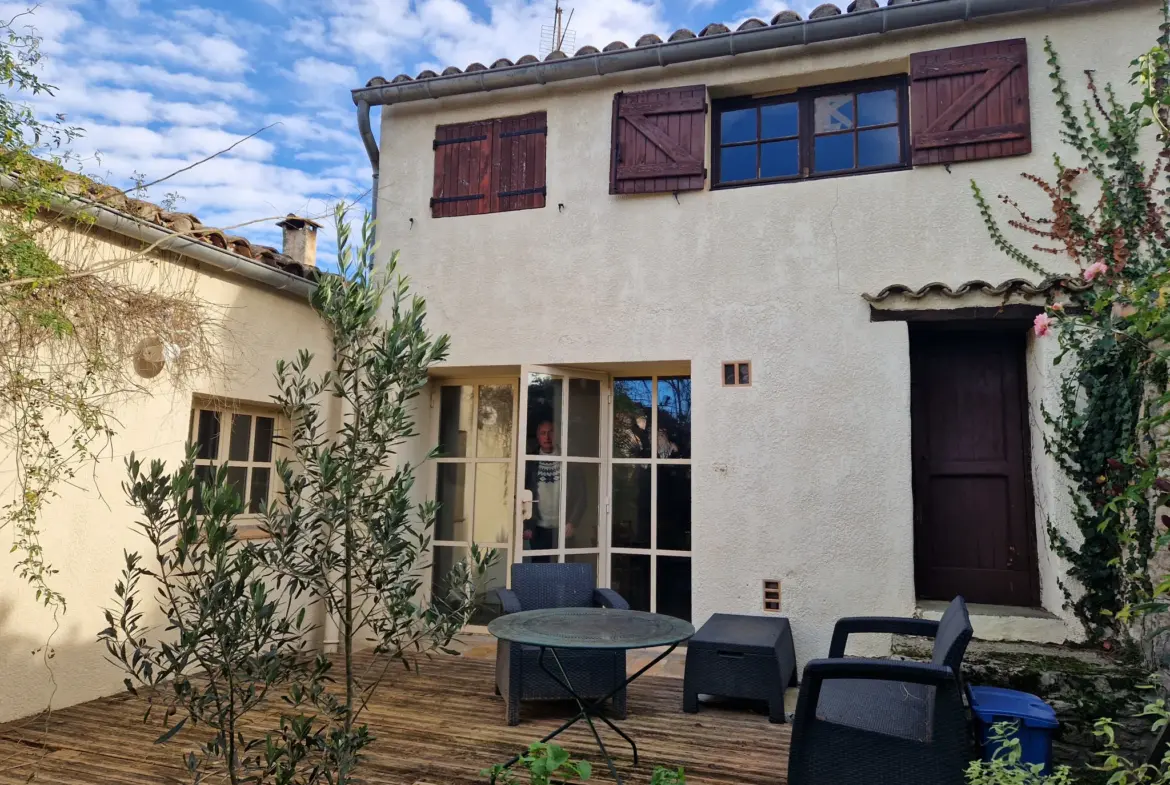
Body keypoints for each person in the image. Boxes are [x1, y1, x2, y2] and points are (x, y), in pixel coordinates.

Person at [523, 418, 580, 554]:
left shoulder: (570, 461)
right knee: (540, 568)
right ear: (538, 436)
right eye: (543, 433)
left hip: (564, 527)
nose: (547, 437)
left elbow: (581, 496)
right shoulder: (530, 462)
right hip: (538, 528)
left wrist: (572, 522)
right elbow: (522, 493)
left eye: (551, 432)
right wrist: (526, 525)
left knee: (564, 570)